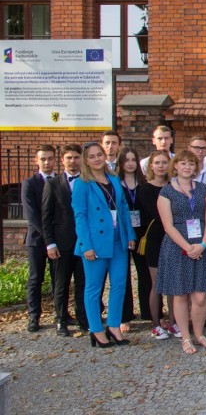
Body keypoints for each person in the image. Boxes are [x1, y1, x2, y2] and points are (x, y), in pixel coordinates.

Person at [156, 150, 206, 354]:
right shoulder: (166, 192)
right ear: (175, 166)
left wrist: (201, 245)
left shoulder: (204, 189)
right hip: (177, 247)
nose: (187, 167)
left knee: (201, 296)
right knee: (180, 294)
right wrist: (187, 248)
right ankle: (185, 337)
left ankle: (199, 334)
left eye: (191, 164)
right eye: (183, 163)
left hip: (203, 245)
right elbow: (168, 225)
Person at [72, 142, 136, 348]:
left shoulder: (114, 178)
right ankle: (96, 330)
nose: (97, 159)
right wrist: (85, 245)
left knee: (119, 284)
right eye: (92, 156)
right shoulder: (82, 183)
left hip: (118, 239)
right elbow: (80, 216)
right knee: (93, 287)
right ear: (86, 160)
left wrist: (130, 235)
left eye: (99, 154)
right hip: (95, 243)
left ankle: (114, 326)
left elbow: (124, 208)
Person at [43, 144, 86, 336]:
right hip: (61, 243)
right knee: (61, 284)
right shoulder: (52, 184)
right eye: (69, 158)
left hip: (84, 242)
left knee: (83, 283)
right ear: (63, 160)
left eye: (76, 157)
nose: (73, 161)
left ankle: (83, 318)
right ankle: (61, 319)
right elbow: (46, 216)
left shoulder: (87, 182)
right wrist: (50, 243)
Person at [138, 150, 179, 340]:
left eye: (165, 162)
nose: (161, 166)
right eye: (157, 163)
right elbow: (158, 214)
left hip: (175, 238)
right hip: (156, 237)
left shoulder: (174, 186)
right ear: (151, 166)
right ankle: (156, 324)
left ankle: (174, 322)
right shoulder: (145, 189)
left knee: (173, 283)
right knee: (157, 284)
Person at [21, 144, 56, 333]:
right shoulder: (29, 183)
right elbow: (32, 214)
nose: (47, 162)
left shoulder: (60, 181)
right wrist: (48, 237)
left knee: (58, 278)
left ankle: (61, 314)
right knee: (36, 279)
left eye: (50, 158)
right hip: (37, 239)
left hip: (57, 240)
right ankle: (34, 316)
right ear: (37, 161)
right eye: (43, 159)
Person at [117, 146, 152, 332]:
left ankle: (148, 312)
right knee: (123, 275)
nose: (130, 163)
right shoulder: (115, 183)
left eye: (133, 160)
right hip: (123, 233)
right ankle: (126, 316)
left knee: (145, 273)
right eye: (126, 160)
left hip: (142, 234)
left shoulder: (144, 183)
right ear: (121, 163)